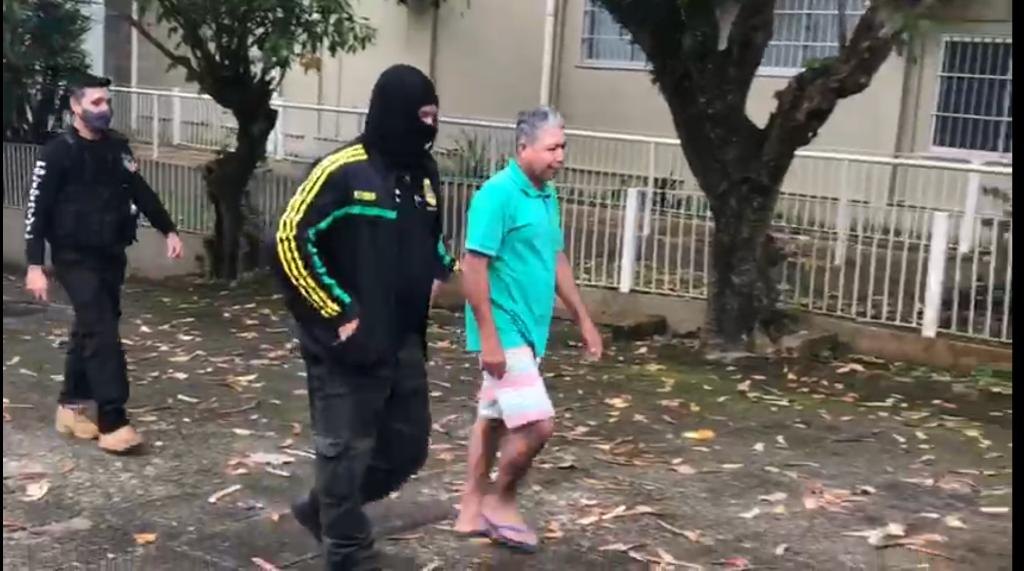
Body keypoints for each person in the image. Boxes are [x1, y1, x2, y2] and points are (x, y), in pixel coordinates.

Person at [272, 64, 456, 570]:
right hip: (346, 345)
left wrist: (442, 269)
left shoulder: (424, 173)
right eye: (422, 115)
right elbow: (288, 239)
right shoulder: (342, 171)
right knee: (345, 452)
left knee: (407, 449)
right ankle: (348, 550)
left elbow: (431, 237)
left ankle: (325, 508)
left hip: (403, 339)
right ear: (396, 113)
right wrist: (337, 310)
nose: (430, 126)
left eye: (435, 116)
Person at [453, 106, 602, 552]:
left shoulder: (545, 195)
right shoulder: (496, 195)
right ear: (523, 147)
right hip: (504, 328)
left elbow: (556, 259)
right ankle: (501, 501)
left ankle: (469, 510)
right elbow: (473, 266)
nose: (560, 157)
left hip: (530, 330)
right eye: (552, 148)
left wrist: (583, 319)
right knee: (538, 425)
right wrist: (489, 338)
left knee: (492, 419)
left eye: (563, 147)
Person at [23, 74, 184, 455]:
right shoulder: (57, 153)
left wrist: (168, 229)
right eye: (96, 103)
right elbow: (36, 211)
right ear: (75, 106)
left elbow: (140, 191)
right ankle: (113, 419)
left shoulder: (117, 148)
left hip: (110, 254)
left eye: (107, 102)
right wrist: (34, 265)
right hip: (73, 257)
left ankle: (72, 406)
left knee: (90, 329)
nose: (104, 109)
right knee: (102, 332)